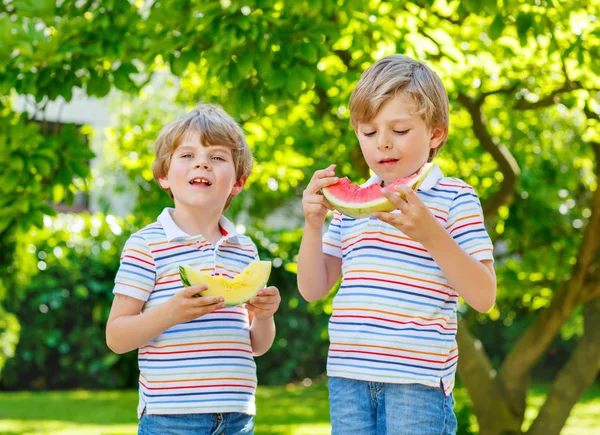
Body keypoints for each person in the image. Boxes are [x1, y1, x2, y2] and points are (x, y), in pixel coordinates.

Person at [298, 54, 496, 435]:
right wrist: (312, 224)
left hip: (417, 382)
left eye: (400, 130)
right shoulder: (350, 208)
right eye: (368, 132)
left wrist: (430, 234)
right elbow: (313, 288)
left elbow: (484, 296)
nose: (382, 144)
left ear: (435, 133)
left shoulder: (455, 198)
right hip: (347, 375)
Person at [106, 103, 281, 435]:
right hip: (171, 417)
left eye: (217, 157)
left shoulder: (246, 250)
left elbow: (256, 345)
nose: (202, 162)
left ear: (238, 181)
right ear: (163, 175)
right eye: (187, 155)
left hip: (237, 415)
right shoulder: (147, 245)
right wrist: (171, 312)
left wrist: (267, 315)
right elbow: (116, 336)